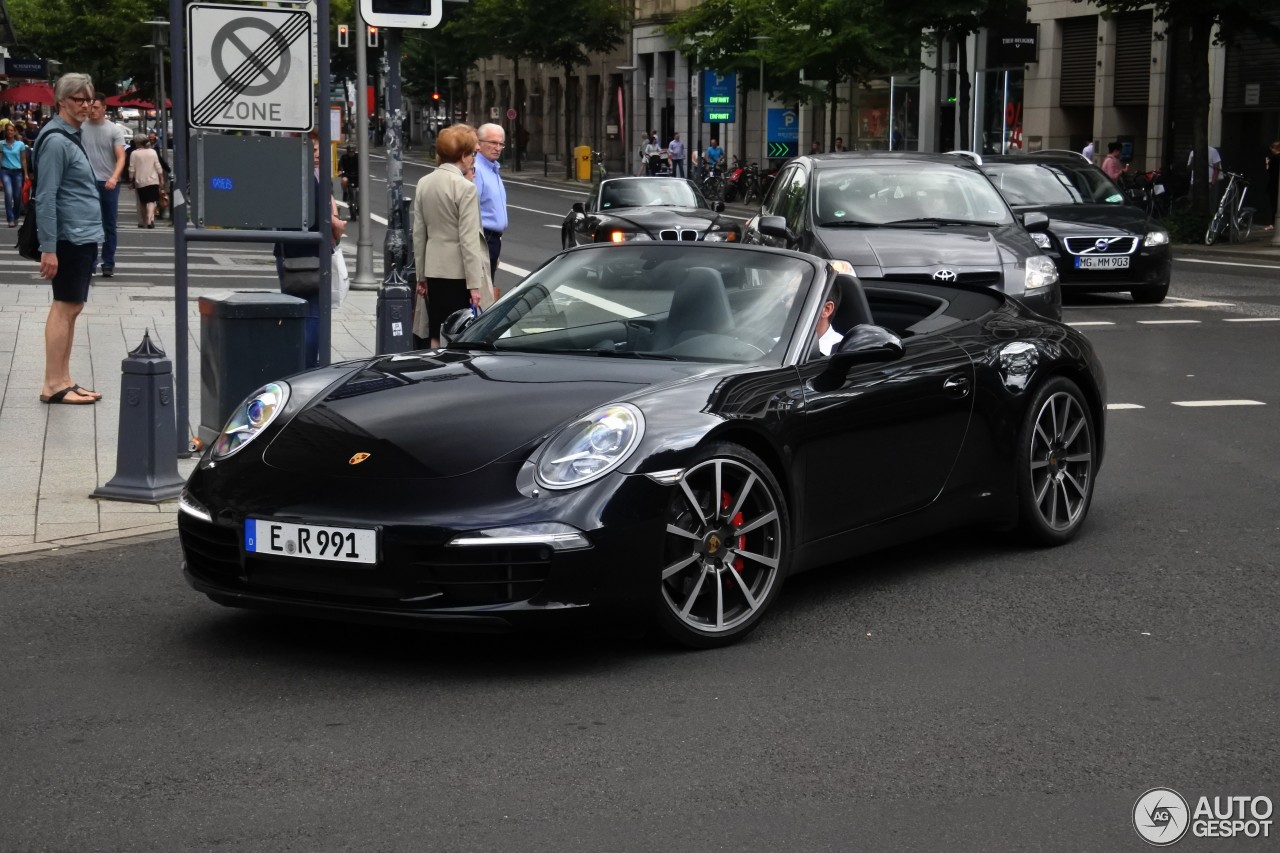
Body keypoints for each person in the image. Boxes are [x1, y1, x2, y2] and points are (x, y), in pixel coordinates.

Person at [35, 73, 104, 406]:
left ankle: (64, 379)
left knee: (72, 306)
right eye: (79, 99)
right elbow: (46, 197)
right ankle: (52, 383)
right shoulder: (56, 141)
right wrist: (48, 248)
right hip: (68, 236)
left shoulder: (71, 136)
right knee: (64, 306)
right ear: (61, 101)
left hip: (81, 234)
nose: (86, 105)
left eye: (89, 99)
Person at [411, 124, 494, 347]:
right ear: (463, 156)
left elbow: (419, 234)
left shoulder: (424, 183)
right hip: (459, 274)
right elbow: (468, 240)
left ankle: (433, 371)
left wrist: (421, 276)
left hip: (434, 270)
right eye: (472, 154)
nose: (473, 159)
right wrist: (474, 286)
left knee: (436, 331)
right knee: (459, 332)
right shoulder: (465, 188)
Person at [273, 133, 345, 368]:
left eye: (319, 150)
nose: (316, 155)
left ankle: (298, 360)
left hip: (288, 250)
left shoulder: (287, 175)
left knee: (297, 309)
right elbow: (323, 219)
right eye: (312, 150)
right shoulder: (310, 178)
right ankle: (307, 364)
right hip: (308, 253)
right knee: (312, 312)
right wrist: (336, 225)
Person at [81, 96, 128, 277]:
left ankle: (108, 262)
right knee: (89, 224)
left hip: (108, 182)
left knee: (109, 225)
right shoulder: (81, 127)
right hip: (87, 182)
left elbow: (121, 157)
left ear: (104, 108)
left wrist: (114, 178)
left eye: (96, 107)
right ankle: (90, 262)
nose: (92, 110)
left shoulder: (113, 130)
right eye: (90, 107)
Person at [473, 122, 508, 280]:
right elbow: (471, 211)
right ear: (479, 143)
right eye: (493, 142)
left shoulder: (493, 169)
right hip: (482, 239)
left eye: (501, 144)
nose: (498, 147)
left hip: (492, 241)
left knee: (486, 290)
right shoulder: (477, 170)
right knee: (481, 293)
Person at [127, 136, 164, 228]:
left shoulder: (134, 154)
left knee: (143, 202)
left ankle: (145, 219)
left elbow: (131, 168)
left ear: (138, 144)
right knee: (151, 201)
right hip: (153, 180)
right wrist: (161, 177)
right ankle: (150, 218)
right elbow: (158, 166)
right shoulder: (153, 152)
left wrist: (131, 179)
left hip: (140, 181)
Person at [2, 120, 29, 227]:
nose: (10, 132)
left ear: (15, 132)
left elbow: (23, 160)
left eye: (11, 130)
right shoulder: (1, 144)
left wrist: (26, 173)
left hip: (17, 172)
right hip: (5, 171)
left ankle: (16, 215)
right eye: (8, 130)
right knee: (8, 194)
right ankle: (10, 219)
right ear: (5, 132)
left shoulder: (20, 144)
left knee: (17, 196)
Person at [337, 144, 359, 216]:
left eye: (352, 152)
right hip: (347, 175)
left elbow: (363, 165)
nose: (351, 153)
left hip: (357, 176)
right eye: (350, 152)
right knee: (344, 180)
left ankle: (361, 202)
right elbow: (340, 166)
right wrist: (340, 171)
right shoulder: (344, 157)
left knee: (360, 189)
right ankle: (345, 193)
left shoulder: (358, 157)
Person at [1264, 140, 1280, 231]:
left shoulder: (1273, 158)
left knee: (1273, 204)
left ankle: (1273, 223)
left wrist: (1267, 164)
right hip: (1275, 183)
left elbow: (1270, 171)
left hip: (1274, 184)